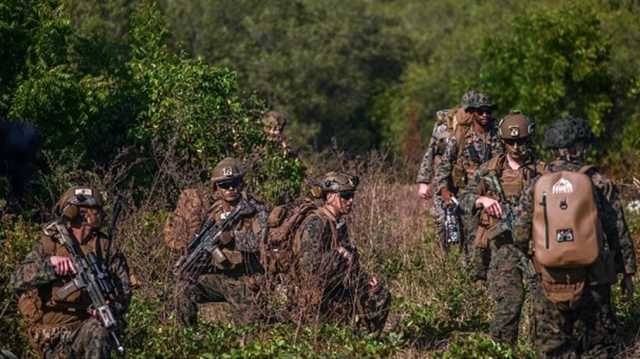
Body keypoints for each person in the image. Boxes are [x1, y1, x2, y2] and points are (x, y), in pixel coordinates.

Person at [512, 116, 636, 358]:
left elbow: (518, 233)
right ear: (578, 147)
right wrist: (627, 272)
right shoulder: (599, 183)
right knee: (598, 348)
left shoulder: (536, 184)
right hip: (594, 280)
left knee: (553, 348)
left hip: (549, 279)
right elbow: (618, 232)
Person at [11, 186, 131, 358]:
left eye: (95, 210)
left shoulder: (105, 247)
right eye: (87, 211)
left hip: (86, 328)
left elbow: (124, 293)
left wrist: (109, 307)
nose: (93, 215)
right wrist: (49, 266)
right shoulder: (51, 243)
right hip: (52, 334)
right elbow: (16, 279)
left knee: (99, 331)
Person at [459, 112, 542, 344]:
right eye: (511, 142)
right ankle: (501, 350)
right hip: (503, 246)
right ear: (503, 142)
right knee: (509, 301)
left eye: (522, 141)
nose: (516, 147)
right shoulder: (489, 170)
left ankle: (541, 349)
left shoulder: (544, 171)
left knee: (542, 302)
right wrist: (481, 200)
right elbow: (464, 199)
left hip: (538, 246)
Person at [174, 157, 268, 327]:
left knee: (251, 332)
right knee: (183, 288)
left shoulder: (255, 209)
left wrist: (233, 237)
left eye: (235, 183)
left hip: (246, 279)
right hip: (219, 278)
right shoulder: (214, 211)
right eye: (225, 185)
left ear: (241, 184)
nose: (231, 188)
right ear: (216, 187)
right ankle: (189, 339)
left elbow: (261, 242)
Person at [292, 171, 390, 332]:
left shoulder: (338, 224)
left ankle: (367, 345)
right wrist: (339, 255)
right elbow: (308, 267)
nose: (350, 200)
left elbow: (347, 266)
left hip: (337, 289)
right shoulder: (316, 223)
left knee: (379, 294)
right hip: (317, 298)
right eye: (345, 195)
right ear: (330, 196)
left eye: (352, 195)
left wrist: (364, 280)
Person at [432, 90, 503, 275]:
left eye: (488, 111)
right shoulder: (460, 137)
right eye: (480, 111)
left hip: (494, 194)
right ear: (472, 113)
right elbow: (443, 167)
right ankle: (471, 282)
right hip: (467, 197)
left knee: (497, 241)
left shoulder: (499, 135)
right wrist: (445, 192)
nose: (485, 115)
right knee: (471, 244)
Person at [416, 103, 470, 247]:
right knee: (441, 220)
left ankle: (465, 259)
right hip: (443, 180)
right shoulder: (444, 127)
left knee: (466, 221)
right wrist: (423, 182)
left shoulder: (481, 127)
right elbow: (430, 152)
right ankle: (444, 259)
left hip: (468, 182)